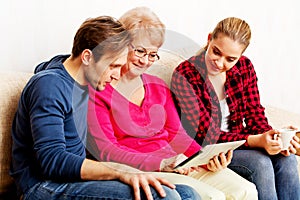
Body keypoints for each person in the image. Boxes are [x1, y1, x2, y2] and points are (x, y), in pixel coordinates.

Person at [9, 15, 198, 200]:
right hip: (42, 186)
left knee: (188, 194)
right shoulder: (50, 86)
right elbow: (52, 160)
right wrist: (119, 171)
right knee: (164, 196)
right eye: (113, 66)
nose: (117, 75)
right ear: (87, 57)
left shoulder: (84, 82)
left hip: (74, 181)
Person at [87, 7, 257, 200]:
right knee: (212, 196)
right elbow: (107, 151)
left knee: (245, 190)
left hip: (176, 164)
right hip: (141, 169)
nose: (145, 61)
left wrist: (205, 159)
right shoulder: (99, 90)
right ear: (122, 46)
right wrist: (161, 162)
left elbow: (178, 136)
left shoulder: (158, 86)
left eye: (152, 54)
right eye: (140, 51)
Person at [170, 16, 300, 200]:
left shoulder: (244, 67)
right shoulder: (185, 75)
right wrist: (256, 141)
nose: (220, 63)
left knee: (287, 159)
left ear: (239, 57)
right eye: (216, 52)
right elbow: (207, 135)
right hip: (207, 150)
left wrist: (274, 139)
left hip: (242, 143)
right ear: (209, 39)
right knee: (260, 163)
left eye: (230, 59)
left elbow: (256, 116)